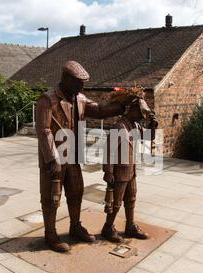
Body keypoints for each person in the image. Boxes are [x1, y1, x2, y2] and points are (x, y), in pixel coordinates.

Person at [36, 61, 137, 253]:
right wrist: (52, 158)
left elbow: (99, 110)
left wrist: (121, 105)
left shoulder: (80, 99)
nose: (82, 87)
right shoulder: (47, 100)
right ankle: (50, 234)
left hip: (73, 157)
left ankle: (75, 226)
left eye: (83, 83)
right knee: (51, 198)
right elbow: (44, 131)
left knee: (76, 193)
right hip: (54, 160)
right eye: (78, 82)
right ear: (66, 79)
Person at [101, 98, 157, 243]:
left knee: (131, 199)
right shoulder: (119, 127)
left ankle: (130, 226)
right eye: (140, 114)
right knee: (116, 202)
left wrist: (152, 127)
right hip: (119, 172)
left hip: (131, 170)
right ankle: (108, 228)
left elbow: (148, 137)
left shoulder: (135, 126)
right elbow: (109, 151)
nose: (141, 117)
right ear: (132, 109)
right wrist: (108, 171)